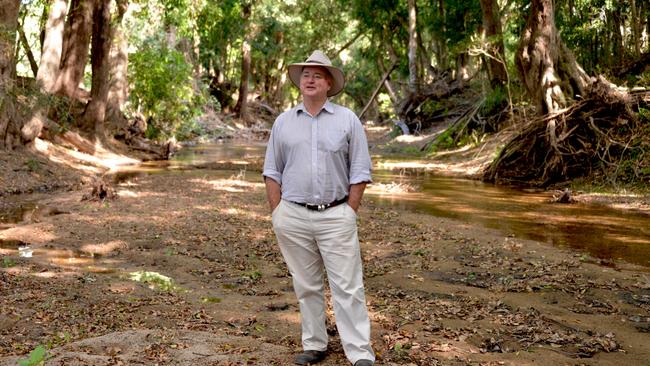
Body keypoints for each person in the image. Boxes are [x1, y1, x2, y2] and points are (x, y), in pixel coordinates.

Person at [263, 50, 375, 366]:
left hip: (336, 214)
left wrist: (349, 210)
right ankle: (314, 344)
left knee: (348, 286)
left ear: (328, 83)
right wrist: (278, 213)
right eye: (306, 75)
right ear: (300, 83)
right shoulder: (284, 122)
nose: (310, 79)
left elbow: (360, 169)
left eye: (317, 75)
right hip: (293, 215)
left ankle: (359, 353)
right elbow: (272, 170)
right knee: (306, 285)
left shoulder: (347, 120)